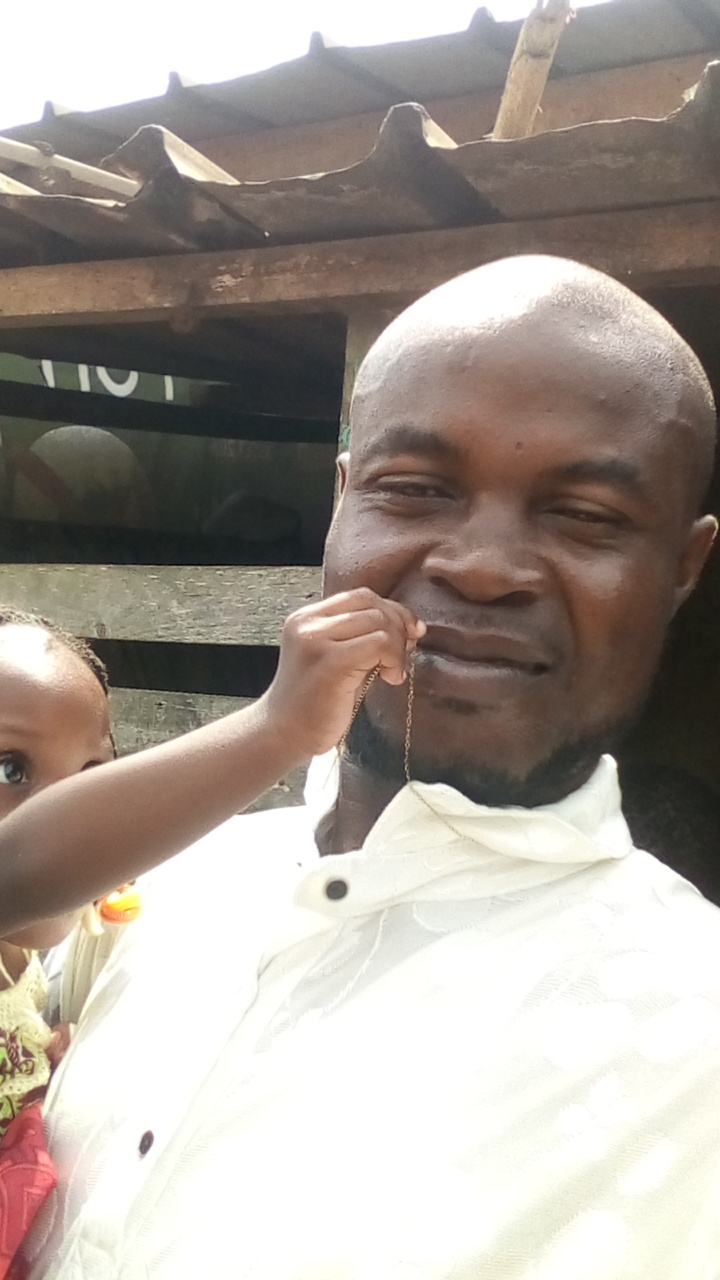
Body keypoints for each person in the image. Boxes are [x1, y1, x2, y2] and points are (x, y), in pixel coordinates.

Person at [21, 254, 720, 1279]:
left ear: (684, 567)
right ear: (342, 501)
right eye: (417, 489)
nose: (481, 565)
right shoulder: (165, 888)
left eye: (586, 514)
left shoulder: (690, 1033)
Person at [0, 596, 420, 1270]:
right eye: (9, 769)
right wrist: (278, 728)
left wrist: (46, 1065)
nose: (60, 807)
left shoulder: (33, 965)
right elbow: (19, 867)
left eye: (91, 777)